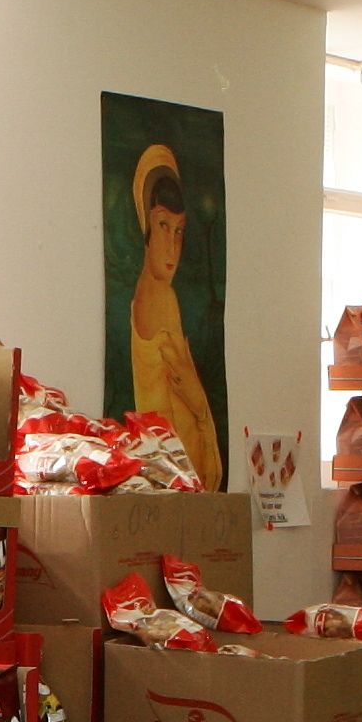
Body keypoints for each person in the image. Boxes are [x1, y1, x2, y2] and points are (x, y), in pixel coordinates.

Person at [127, 143, 223, 490]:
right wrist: (199, 408)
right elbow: (179, 430)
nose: (172, 247)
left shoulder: (158, 296)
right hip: (179, 485)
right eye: (163, 225)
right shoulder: (158, 297)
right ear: (145, 226)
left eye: (179, 231)